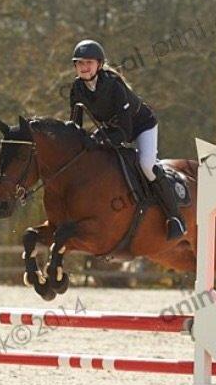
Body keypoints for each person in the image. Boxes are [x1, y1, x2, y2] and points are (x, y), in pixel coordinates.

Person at [68, 39, 186, 240]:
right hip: (113, 129)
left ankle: (175, 218)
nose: (84, 67)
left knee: (146, 165)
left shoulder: (114, 85)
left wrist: (99, 139)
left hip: (140, 126)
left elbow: (124, 132)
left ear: (99, 63)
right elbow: (75, 125)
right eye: (80, 63)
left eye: (88, 63)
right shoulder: (77, 89)